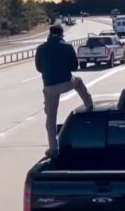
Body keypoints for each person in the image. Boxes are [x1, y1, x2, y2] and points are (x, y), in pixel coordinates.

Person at [35, 24, 93, 158]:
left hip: (50, 86)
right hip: (67, 82)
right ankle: (89, 104)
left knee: (51, 118)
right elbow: (74, 66)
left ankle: (53, 149)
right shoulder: (67, 47)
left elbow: (38, 68)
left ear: (49, 34)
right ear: (62, 34)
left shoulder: (41, 48)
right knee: (78, 82)